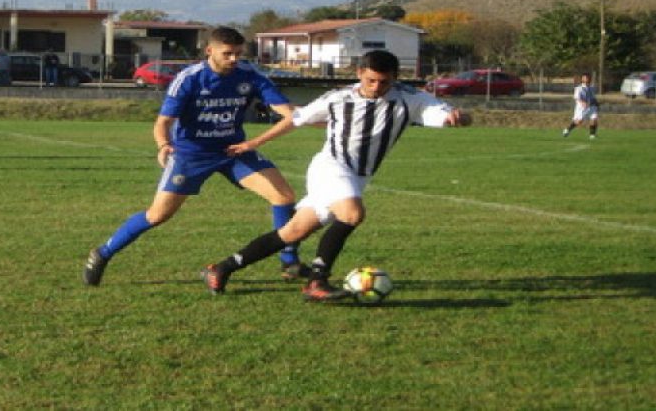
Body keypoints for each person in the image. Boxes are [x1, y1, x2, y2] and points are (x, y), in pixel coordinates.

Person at [201, 49, 470, 302]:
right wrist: (254, 143)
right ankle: (317, 281)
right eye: (371, 80)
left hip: (358, 175)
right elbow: (296, 119)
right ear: (359, 73)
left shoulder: (410, 98)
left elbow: (443, 114)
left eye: (383, 82)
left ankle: (221, 268)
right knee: (352, 214)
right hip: (331, 166)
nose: (376, 87)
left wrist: (459, 118)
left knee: (293, 231)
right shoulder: (338, 98)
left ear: (395, 78)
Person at [83, 26, 308, 287]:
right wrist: (163, 145)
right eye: (228, 54)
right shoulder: (189, 79)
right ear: (209, 51)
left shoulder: (249, 75)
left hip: (232, 151)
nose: (234, 60)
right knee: (158, 215)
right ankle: (102, 253)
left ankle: (289, 260)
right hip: (191, 155)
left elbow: (287, 111)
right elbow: (163, 122)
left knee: (284, 196)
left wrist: (324, 115)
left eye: (238, 54)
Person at [563, 72, 599, 139]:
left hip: (591, 106)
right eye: (585, 78)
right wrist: (583, 103)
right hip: (581, 108)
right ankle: (568, 130)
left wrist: (596, 103)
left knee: (594, 119)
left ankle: (592, 135)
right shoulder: (579, 88)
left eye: (588, 77)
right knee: (578, 121)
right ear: (582, 79)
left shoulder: (591, 88)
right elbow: (576, 97)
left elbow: (593, 97)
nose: (587, 79)